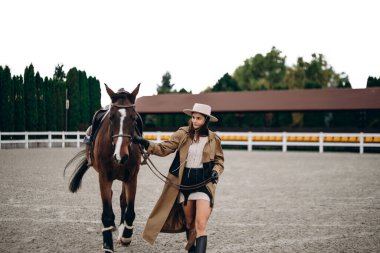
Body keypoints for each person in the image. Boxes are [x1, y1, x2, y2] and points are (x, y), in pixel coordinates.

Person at [133, 103, 224, 253]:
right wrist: (145, 143)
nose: (194, 121)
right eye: (193, 117)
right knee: (189, 223)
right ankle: (191, 249)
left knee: (200, 224)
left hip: (204, 184)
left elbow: (219, 161)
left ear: (206, 120)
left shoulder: (214, 139)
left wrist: (216, 171)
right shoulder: (182, 134)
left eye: (199, 118)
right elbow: (164, 148)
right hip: (184, 185)